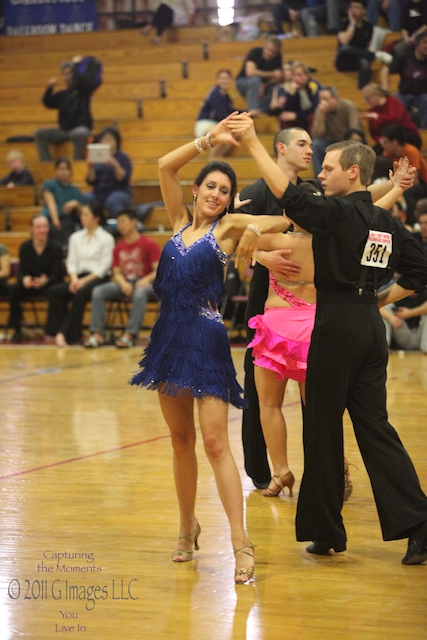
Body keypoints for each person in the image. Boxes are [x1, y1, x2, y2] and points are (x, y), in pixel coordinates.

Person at [230, 112, 427, 566]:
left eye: (329, 168)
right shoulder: (384, 222)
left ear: (353, 172)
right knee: (376, 428)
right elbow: (419, 272)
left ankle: (325, 531)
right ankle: (418, 525)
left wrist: (255, 144)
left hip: (336, 325)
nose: (320, 173)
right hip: (368, 329)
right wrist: (377, 302)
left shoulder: (335, 214)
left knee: (322, 426)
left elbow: (291, 198)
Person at [129, 115, 290, 583]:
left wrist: (255, 231)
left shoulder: (229, 228)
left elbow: (286, 214)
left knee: (216, 442)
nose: (216, 195)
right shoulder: (178, 222)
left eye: (224, 190)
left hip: (206, 338)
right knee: (180, 442)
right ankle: (186, 527)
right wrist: (207, 141)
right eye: (210, 187)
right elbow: (163, 166)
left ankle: (241, 542)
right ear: (196, 190)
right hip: (168, 340)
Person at [84, 209, 161, 348]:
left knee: (140, 292)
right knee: (99, 291)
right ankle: (97, 334)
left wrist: (145, 280)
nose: (120, 226)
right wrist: (123, 283)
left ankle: (130, 335)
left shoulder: (149, 244)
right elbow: (116, 272)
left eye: (123, 222)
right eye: (118, 223)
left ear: (134, 222)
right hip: (126, 282)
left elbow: (159, 270)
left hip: (149, 284)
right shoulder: (118, 248)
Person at [44, 205, 114, 347]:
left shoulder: (107, 238)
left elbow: (104, 266)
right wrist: (74, 279)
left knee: (81, 293)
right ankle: (54, 331)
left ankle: (65, 333)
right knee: (55, 291)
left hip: (98, 278)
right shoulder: (75, 237)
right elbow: (72, 261)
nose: (83, 218)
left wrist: (83, 281)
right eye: (82, 215)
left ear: (96, 218)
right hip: (78, 276)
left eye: (86, 215)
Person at [7, 215, 64, 343]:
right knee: (14, 289)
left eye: (45, 226)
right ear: (31, 229)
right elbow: (22, 271)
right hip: (31, 285)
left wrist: (47, 280)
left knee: (56, 291)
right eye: (39, 227)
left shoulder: (55, 247)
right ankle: (17, 330)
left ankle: (51, 331)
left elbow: (58, 274)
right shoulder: (25, 247)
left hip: (49, 285)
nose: (42, 230)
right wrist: (24, 279)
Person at [35, 57, 97, 162]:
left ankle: (77, 163)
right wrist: (49, 88)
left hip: (81, 129)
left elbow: (85, 80)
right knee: (40, 134)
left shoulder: (83, 91)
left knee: (78, 134)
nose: (67, 77)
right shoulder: (62, 94)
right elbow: (48, 103)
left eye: (69, 74)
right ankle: (47, 164)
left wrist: (77, 66)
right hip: (64, 130)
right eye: (64, 74)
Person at [335, 0, 392, 89]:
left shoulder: (368, 27)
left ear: (364, 10)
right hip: (344, 61)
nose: (354, 10)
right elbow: (344, 41)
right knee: (345, 48)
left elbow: (367, 45)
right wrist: (353, 23)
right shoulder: (343, 24)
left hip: (358, 59)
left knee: (365, 62)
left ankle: (363, 89)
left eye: (357, 7)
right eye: (352, 7)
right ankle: (375, 55)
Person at [311, 85, 362, 175]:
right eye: (321, 99)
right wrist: (321, 115)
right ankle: (319, 178)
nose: (323, 102)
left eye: (326, 99)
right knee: (316, 144)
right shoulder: (320, 110)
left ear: (335, 98)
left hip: (348, 139)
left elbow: (354, 128)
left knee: (355, 139)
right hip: (332, 142)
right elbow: (317, 134)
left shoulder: (347, 106)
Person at [84, 127, 133, 219]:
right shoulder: (97, 158)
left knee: (113, 200)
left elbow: (123, 178)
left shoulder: (123, 158)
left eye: (110, 139)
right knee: (87, 198)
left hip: (119, 191)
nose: (106, 141)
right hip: (99, 192)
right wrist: (90, 166)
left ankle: (117, 225)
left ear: (116, 142)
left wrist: (114, 164)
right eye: (104, 139)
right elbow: (90, 181)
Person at [382, 31, 427, 128]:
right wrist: (385, 89)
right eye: (425, 42)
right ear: (417, 45)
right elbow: (385, 70)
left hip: (423, 96)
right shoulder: (405, 57)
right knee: (394, 102)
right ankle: (398, 133)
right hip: (404, 94)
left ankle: (424, 132)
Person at [360, 83, 422, 152]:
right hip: (387, 141)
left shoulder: (393, 102)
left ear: (377, 94)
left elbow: (395, 120)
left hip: (407, 136)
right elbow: (374, 133)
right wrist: (381, 140)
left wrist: (377, 117)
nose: (366, 101)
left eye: (368, 98)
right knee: (373, 153)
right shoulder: (371, 111)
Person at [41, 157, 87, 247]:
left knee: (69, 225)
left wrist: (76, 204)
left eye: (66, 169)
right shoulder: (49, 184)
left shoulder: (75, 190)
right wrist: (56, 222)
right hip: (50, 218)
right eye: (60, 169)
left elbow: (81, 211)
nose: (63, 172)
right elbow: (51, 203)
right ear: (56, 170)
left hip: (68, 220)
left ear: (70, 171)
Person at [235, 36, 283, 115]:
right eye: (268, 49)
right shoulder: (255, 52)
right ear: (265, 46)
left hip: (263, 86)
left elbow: (278, 77)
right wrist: (272, 74)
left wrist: (264, 85)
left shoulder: (278, 57)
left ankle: (262, 111)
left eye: (273, 51)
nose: (270, 53)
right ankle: (252, 109)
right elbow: (250, 72)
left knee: (275, 88)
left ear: (277, 52)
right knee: (255, 80)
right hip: (243, 82)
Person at [194, 70, 237, 157]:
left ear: (230, 80)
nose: (224, 81)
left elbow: (231, 111)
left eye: (226, 78)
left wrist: (248, 112)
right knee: (220, 135)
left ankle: (218, 158)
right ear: (217, 80)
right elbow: (222, 115)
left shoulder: (226, 96)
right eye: (222, 78)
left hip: (216, 124)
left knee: (236, 133)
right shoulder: (215, 94)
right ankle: (213, 161)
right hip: (206, 123)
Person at [276, 61, 322, 132]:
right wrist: (291, 94)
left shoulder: (314, 86)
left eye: (299, 75)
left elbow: (315, 108)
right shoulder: (291, 87)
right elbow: (287, 110)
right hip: (301, 117)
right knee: (284, 117)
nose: (296, 78)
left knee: (312, 117)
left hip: (312, 116)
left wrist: (297, 115)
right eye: (294, 75)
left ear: (307, 76)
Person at [380, 288, 427, 353]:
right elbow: (378, 305)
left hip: (420, 335)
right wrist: (391, 318)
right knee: (386, 310)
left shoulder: (424, 291)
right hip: (402, 331)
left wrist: (410, 313)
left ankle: (426, 348)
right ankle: (383, 350)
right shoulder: (398, 291)